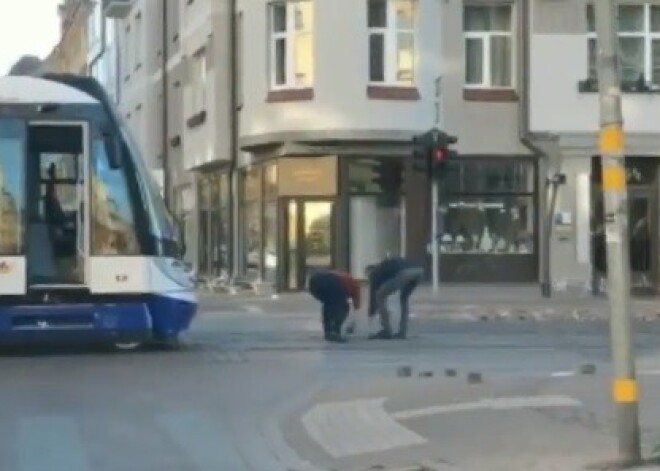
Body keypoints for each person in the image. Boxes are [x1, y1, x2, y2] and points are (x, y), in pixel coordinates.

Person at [366, 257, 424, 340]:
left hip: (404, 273)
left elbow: (373, 295)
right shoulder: (384, 266)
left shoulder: (374, 273)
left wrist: (371, 313)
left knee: (379, 296)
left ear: (370, 271)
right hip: (418, 271)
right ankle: (402, 332)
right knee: (404, 299)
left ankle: (387, 330)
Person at [308, 269, 361, 343]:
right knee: (343, 307)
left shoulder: (346, 279)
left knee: (328, 304)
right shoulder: (354, 286)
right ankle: (336, 331)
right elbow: (357, 304)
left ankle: (328, 331)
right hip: (333, 281)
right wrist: (353, 321)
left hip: (314, 281)